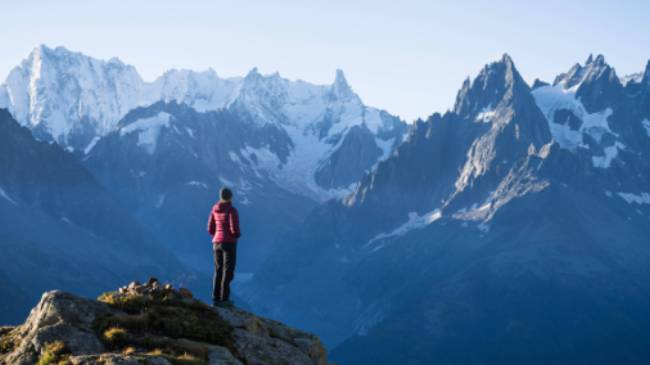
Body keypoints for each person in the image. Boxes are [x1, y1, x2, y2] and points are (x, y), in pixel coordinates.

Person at [207, 187, 241, 307]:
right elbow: (234, 229)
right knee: (228, 271)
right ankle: (225, 299)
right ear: (230, 197)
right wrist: (237, 235)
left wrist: (218, 235)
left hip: (216, 243)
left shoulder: (214, 209)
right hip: (229, 244)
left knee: (218, 270)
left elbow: (210, 228)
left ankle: (216, 299)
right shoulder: (232, 210)